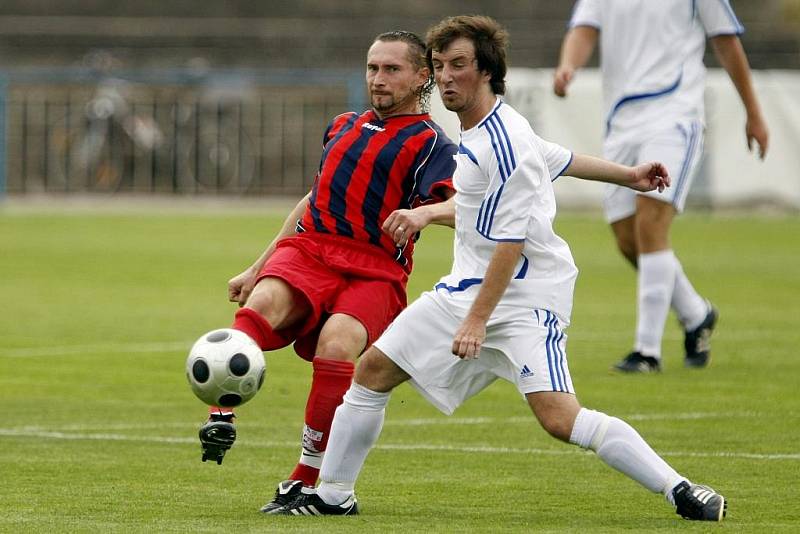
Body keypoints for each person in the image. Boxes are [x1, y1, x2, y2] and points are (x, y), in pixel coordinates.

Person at [272, 15, 727, 522]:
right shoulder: (488, 126)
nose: (446, 76)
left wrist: (477, 319)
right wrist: (630, 176)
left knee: (560, 418)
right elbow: (559, 156)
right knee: (373, 370)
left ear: (486, 71)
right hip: (466, 289)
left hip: (524, 298)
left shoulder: (503, 143)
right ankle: (333, 495)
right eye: (440, 65)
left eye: (459, 65)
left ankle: (681, 489)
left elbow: (510, 243)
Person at [197, 30, 459, 512]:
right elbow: (312, 200)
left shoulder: (430, 144)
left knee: (338, 344)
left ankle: (306, 475)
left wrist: (424, 214)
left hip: (376, 269)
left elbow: (464, 205)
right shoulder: (342, 124)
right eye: (372, 67)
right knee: (261, 306)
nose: (378, 79)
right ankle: (221, 412)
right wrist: (258, 265)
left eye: (391, 69)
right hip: (312, 249)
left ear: (423, 77)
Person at [554, 0, 769, 372]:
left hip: (675, 113)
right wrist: (568, 66)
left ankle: (646, 352)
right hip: (620, 119)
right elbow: (584, 27)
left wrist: (753, 111)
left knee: (650, 224)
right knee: (627, 238)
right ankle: (696, 313)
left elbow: (725, 40)